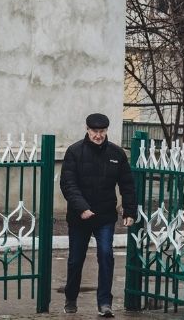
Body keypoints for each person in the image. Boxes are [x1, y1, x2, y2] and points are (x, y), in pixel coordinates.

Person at [59, 112, 137, 317]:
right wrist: (82, 208)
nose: (98, 135)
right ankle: (71, 298)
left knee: (105, 256)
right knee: (76, 260)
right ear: (87, 130)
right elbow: (68, 184)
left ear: (106, 131)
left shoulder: (116, 153)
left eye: (102, 131)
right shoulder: (74, 152)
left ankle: (104, 303)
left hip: (105, 216)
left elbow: (127, 184)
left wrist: (129, 210)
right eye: (95, 131)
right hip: (80, 217)